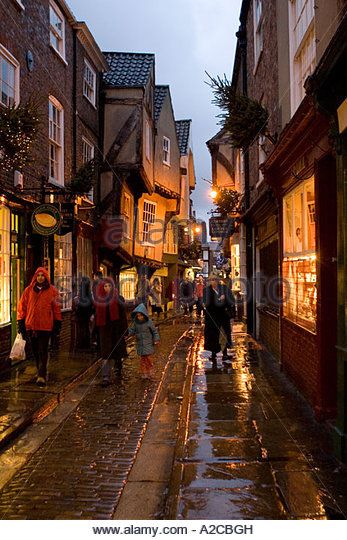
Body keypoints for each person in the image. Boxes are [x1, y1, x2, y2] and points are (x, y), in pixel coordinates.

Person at [17, 267, 62, 386]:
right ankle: (40, 370)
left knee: (43, 350)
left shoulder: (52, 291)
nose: (40, 277)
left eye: (42, 275)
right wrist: (21, 322)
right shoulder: (28, 290)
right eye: (38, 275)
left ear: (46, 277)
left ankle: (41, 375)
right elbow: (22, 307)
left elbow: (56, 308)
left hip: (46, 326)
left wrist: (57, 324)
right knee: (35, 351)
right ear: (35, 277)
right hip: (31, 326)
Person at [94, 277, 128, 387]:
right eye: (105, 286)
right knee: (105, 353)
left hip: (116, 329)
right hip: (104, 330)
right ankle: (106, 377)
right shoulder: (99, 300)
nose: (107, 288)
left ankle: (118, 367)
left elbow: (123, 316)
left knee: (117, 351)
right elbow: (96, 316)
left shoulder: (119, 298)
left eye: (109, 286)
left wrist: (125, 330)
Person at [203, 274, 235, 361]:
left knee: (224, 334)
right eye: (211, 280)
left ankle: (225, 353)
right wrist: (219, 300)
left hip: (224, 316)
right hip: (213, 317)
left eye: (214, 280)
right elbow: (206, 304)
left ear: (217, 280)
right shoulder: (206, 290)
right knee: (213, 335)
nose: (213, 282)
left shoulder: (224, 289)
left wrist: (226, 300)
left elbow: (232, 300)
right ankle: (214, 353)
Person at [128, 303, 160, 380]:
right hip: (140, 344)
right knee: (142, 360)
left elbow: (154, 331)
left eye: (141, 315)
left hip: (148, 344)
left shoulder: (149, 322)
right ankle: (144, 372)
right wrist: (128, 333)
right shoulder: (135, 323)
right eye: (138, 316)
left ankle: (150, 372)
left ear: (144, 315)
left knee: (148, 359)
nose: (139, 317)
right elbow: (132, 331)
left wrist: (156, 339)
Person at [73, 276, 94, 349]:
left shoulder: (81, 292)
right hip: (87, 314)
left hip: (81, 314)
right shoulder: (89, 293)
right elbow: (91, 303)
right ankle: (86, 345)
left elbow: (79, 304)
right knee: (86, 329)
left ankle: (81, 345)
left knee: (81, 330)